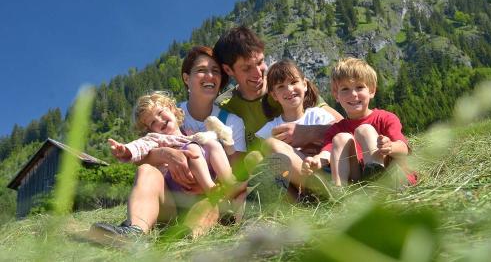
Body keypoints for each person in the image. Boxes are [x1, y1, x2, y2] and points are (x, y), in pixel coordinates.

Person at [91, 46, 247, 239]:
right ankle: (135, 233)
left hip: (209, 196)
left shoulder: (230, 122)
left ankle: (185, 238)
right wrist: (167, 154)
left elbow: (236, 167)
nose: (209, 76)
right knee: (146, 170)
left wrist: (209, 184)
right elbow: (142, 153)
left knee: (210, 196)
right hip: (171, 198)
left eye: (215, 70)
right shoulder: (170, 115)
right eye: (201, 70)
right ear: (186, 78)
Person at [213, 26, 342, 194]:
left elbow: (344, 127)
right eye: (246, 68)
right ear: (228, 70)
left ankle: (322, 190)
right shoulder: (224, 106)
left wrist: (310, 132)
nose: (257, 73)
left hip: (314, 164)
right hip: (276, 177)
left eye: (260, 62)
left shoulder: (289, 87)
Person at [302, 57, 416, 186]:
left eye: (359, 87)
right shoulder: (336, 130)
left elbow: (404, 149)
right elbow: (327, 153)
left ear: (372, 91)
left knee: (364, 130)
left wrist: (390, 146)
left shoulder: (385, 118)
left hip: (392, 177)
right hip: (361, 183)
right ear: (336, 95)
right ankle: (339, 190)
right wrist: (317, 161)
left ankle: (377, 177)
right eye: (345, 89)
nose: (353, 94)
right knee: (340, 138)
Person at [107, 91, 239, 197]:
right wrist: (126, 150)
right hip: (177, 181)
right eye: (152, 123)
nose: (159, 121)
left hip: (199, 178)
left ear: (172, 110)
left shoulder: (190, 134)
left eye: (160, 113)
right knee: (192, 148)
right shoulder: (156, 138)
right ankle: (212, 190)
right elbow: (141, 145)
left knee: (212, 144)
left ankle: (229, 184)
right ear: (150, 130)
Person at [255, 59, 337, 191]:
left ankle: (318, 188)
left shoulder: (318, 115)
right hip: (292, 185)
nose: (289, 89)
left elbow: (338, 139)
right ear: (274, 95)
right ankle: (313, 190)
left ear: (304, 84)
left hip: (323, 172)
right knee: (270, 145)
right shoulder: (270, 128)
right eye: (281, 86)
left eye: (294, 82)